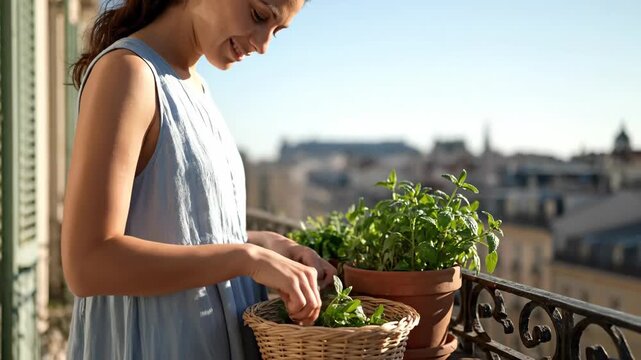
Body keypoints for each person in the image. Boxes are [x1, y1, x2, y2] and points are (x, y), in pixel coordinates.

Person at [62, 0, 335, 358]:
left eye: (277, 30)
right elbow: (88, 264)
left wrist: (268, 246)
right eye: (258, 15)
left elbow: (177, 230)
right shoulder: (128, 72)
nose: (264, 44)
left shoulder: (197, 88)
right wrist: (246, 258)